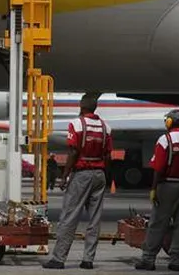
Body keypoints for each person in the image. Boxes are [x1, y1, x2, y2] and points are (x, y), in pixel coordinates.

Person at [43, 92, 112, 270]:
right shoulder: (106, 127)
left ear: (81, 106)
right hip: (100, 174)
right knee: (94, 219)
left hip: (82, 174)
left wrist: (64, 175)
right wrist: (106, 176)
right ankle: (88, 260)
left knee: (69, 216)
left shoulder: (76, 124)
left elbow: (73, 151)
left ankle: (59, 259)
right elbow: (107, 155)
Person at [135, 109, 179, 272]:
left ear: (169, 122)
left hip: (167, 187)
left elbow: (158, 167)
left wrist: (153, 188)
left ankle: (148, 259)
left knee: (158, 223)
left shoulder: (164, 140)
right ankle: (176, 261)